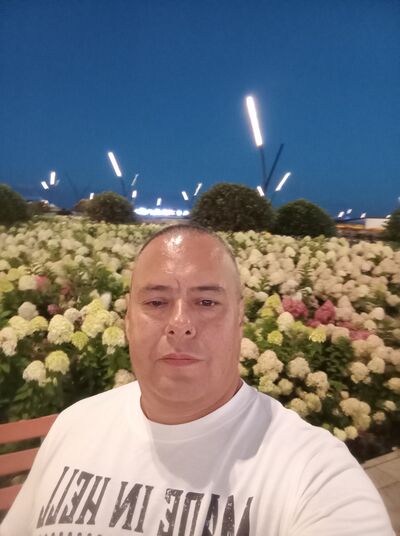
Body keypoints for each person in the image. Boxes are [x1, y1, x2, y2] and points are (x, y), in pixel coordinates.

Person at [1, 224, 394, 535]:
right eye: (156, 302)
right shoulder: (75, 425)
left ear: (239, 319)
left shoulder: (313, 474)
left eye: (206, 302)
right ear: (128, 321)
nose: (180, 324)